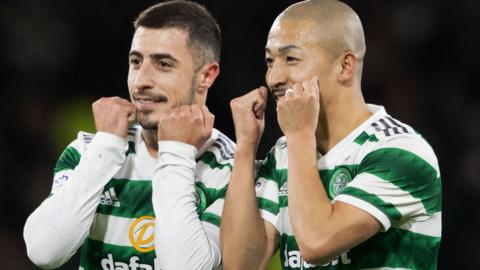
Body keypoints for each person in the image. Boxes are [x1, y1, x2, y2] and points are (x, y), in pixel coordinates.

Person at [221, 0, 442, 269]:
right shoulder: (283, 153)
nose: (274, 77)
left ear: (345, 66)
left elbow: (317, 244)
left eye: (291, 59)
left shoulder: (400, 151)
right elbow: (240, 263)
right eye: (270, 60)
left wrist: (300, 136)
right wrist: (246, 147)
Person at [23, 1, 234, 269]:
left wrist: (177, 151)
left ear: (206, 76)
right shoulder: (90, 150)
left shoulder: (233, 168)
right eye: (136, 62)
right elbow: (44, 251)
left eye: (163, 64)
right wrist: (106, 149)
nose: (140, 80)